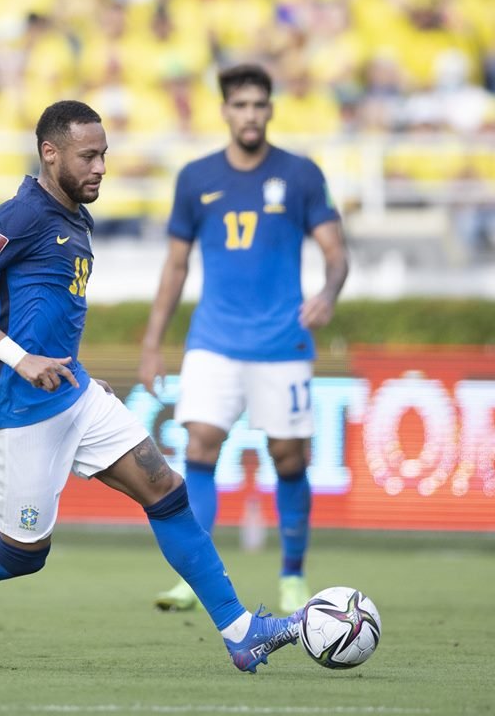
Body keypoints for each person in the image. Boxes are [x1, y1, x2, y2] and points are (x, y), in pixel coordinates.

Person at [0, 100, 305, 673]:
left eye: (104, 155)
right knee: (23, 555)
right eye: (88, 156)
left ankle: (241, 631)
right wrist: (21, 359)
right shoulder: (21, 214)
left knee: (166, 490)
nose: (100, 167)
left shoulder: (74, 215)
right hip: (15, 410)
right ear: (50, 154)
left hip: (73, 395)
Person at [138, 63, 349, 615]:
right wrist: (153, 341)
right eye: (240, 105)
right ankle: (196, 577)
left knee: (288, 457)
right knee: (200, 445)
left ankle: (293, 575)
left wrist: (329, 291)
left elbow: (335, 251)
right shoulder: (195, 177)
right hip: (213, 338)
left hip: (283, 341)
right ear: (225, 111)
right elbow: (176, 265)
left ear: (271, 109)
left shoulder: (301, 175)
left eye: (259, 105)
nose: (250, 115)